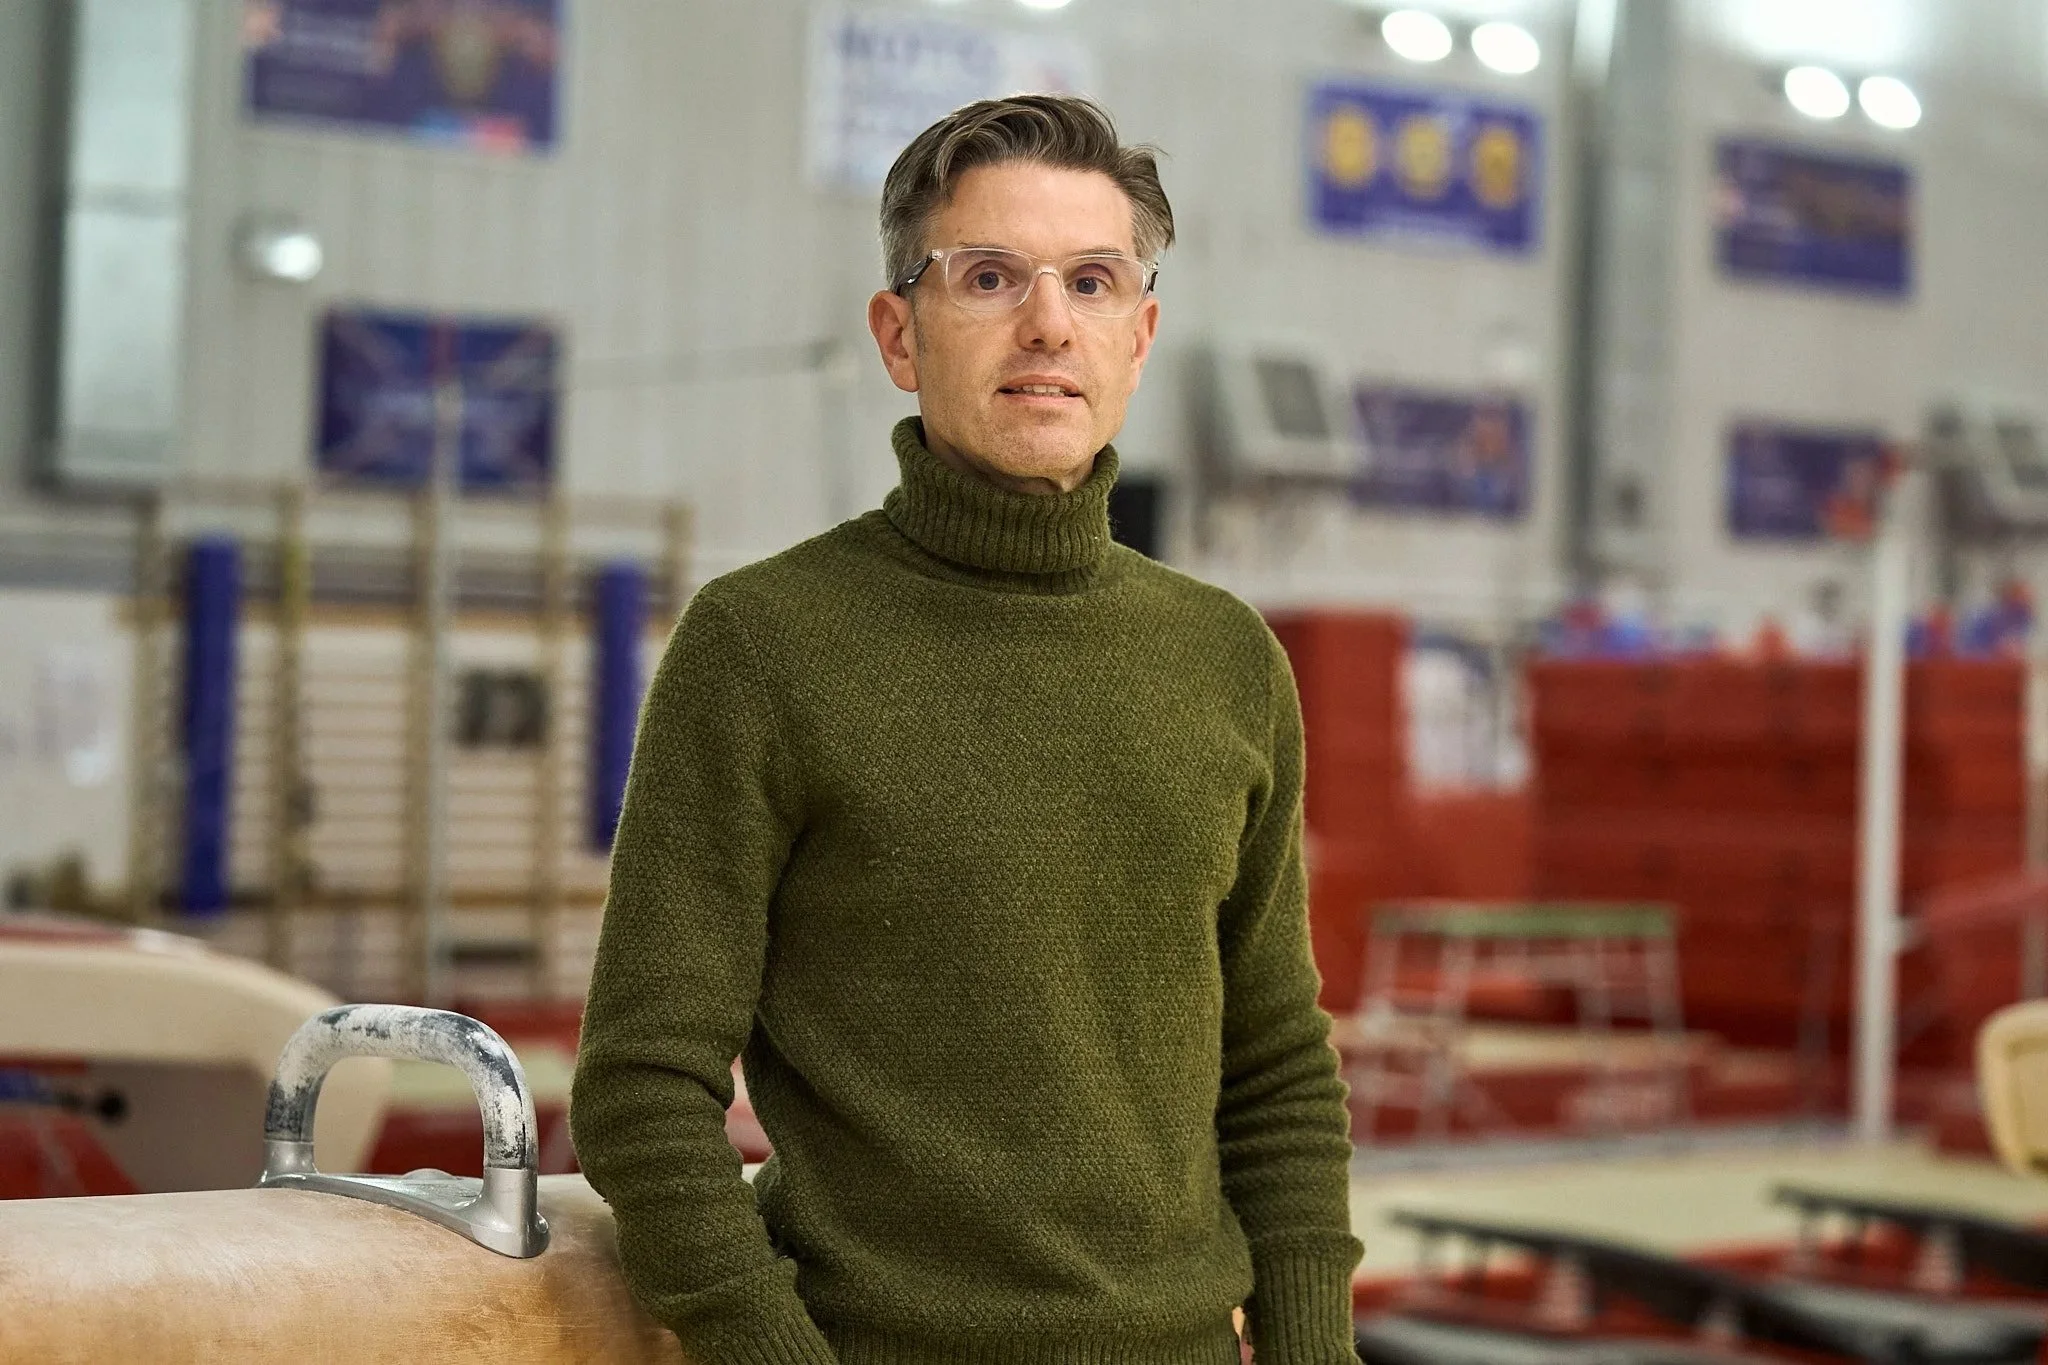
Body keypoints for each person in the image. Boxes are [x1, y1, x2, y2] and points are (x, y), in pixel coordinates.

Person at [570, 94, 1361, 1365]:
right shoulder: (762, 646)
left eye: (1093, 283)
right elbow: (641, 1090)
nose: (1047, 323)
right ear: (899, 332)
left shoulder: (1224, 659)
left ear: (1139, 335)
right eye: (989, 276)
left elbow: (1271, 1069)